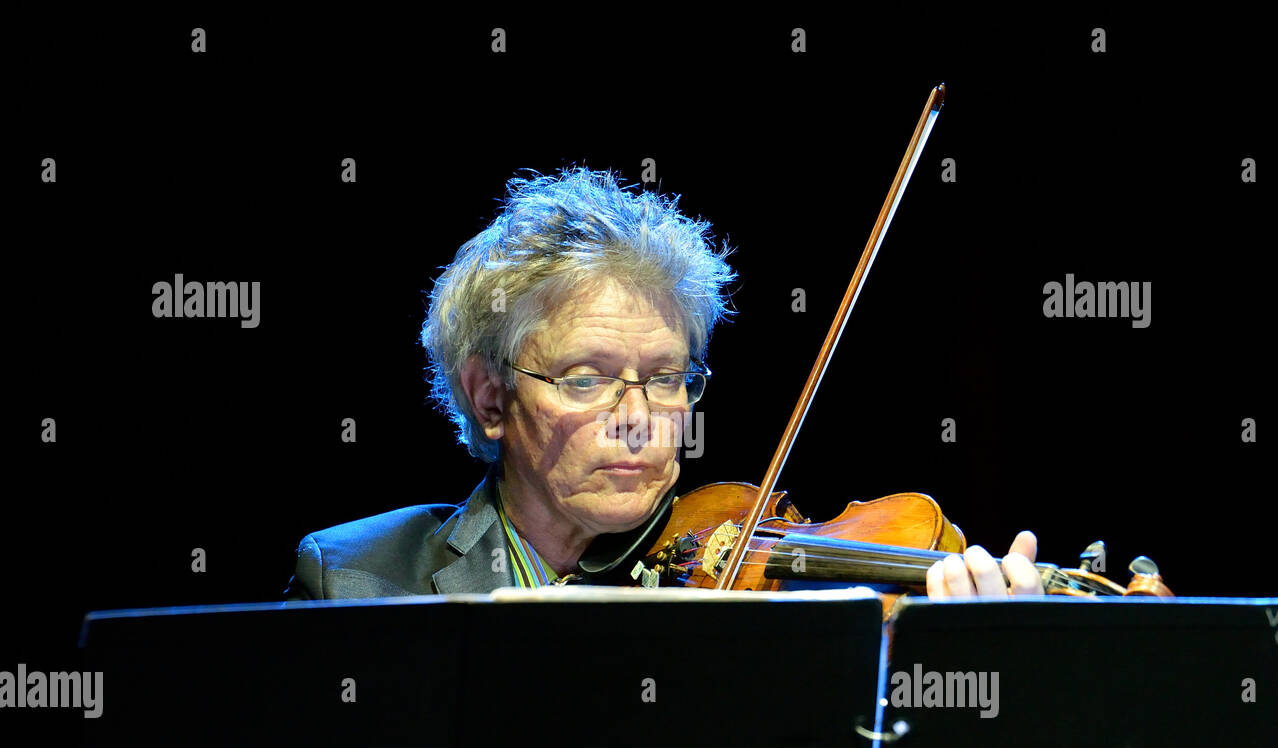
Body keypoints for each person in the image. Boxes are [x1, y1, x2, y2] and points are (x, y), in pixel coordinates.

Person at [283, 167, 1044, 602]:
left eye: (666, 379)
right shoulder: (356, 576)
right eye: (587, 378)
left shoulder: (747, 584)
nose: (638, 417)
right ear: (489, 398)